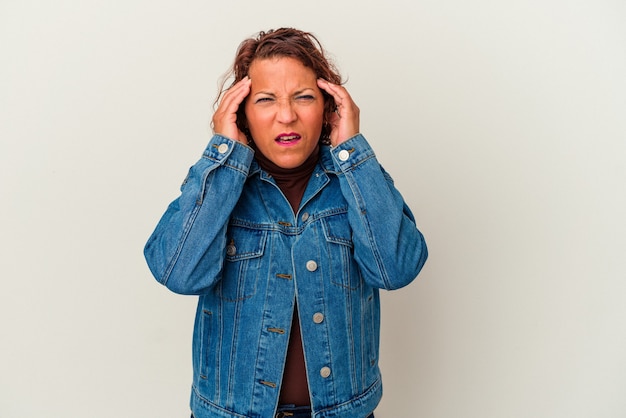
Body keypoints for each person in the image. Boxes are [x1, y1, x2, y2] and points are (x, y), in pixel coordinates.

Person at [144, 28, 428, 418]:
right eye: (266, 100)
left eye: (304, 97)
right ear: (241, 113)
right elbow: (178, 272)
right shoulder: (220, 186)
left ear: (330, 108)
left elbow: (396, 269)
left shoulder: (357, 183)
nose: (287, 115)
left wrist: (352, 150)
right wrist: (224, 155)